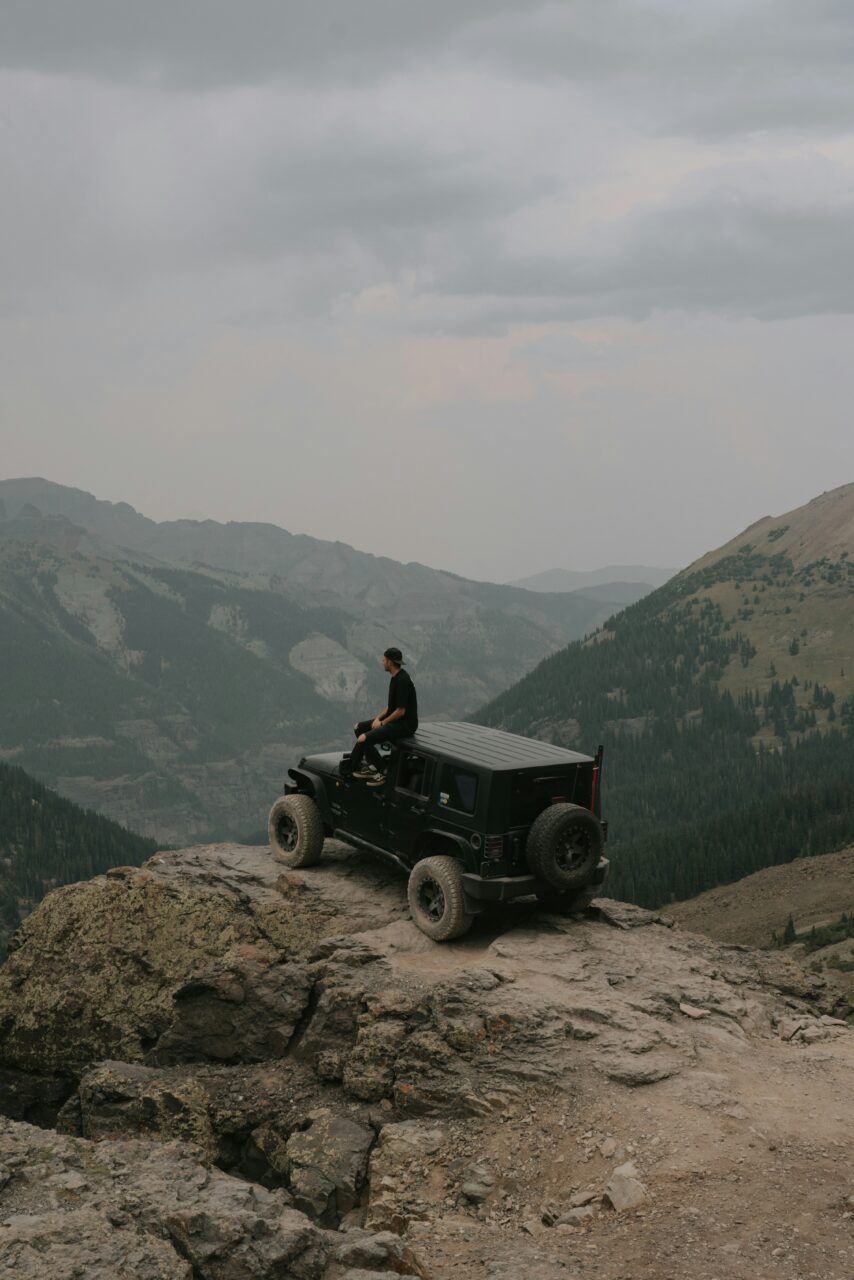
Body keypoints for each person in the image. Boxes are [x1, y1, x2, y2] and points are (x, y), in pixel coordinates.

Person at [346, 647, 418, 786]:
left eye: (384, 659)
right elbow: (390, 707)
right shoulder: (395, 677)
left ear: (390, 662)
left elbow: (401, 711)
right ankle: (373, 765)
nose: (382, 662)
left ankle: (382, 772)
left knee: (363, 739)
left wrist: (383, 723)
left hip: (405, 725)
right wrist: (377, 719)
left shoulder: (402, 680)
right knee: (358, 728)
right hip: (395, 720)